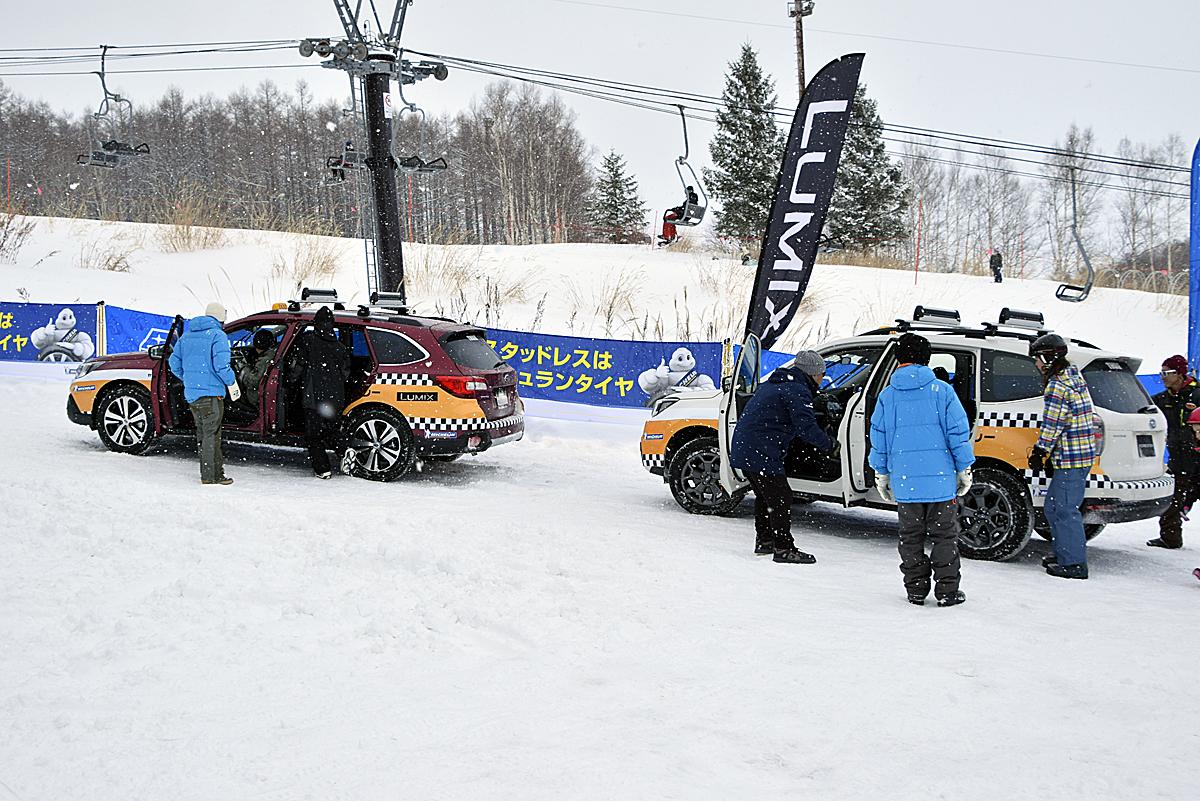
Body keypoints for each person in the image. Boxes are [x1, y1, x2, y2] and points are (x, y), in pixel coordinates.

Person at [868, 333, 974, 607]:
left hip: (906, 482)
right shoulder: (942, 392)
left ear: (898, 359)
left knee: (911, 537)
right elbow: (957, 434)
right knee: (944, 536)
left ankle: (915, 589)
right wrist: (964, 467)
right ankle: (948, 591)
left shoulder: (887, 396)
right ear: (927, 358)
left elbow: (879, 438)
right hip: (940, 483)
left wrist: (881, 472)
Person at [729, 350, 834, 564]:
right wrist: (830, 445)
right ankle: (784, 549)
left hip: (746, 448)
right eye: (821, 375)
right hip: (761, 451)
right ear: (812, 373)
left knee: (766, 496)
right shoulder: (796, 390)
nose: (823, 380)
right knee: (781, 497)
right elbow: (806, 427)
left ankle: (765, 541)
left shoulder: (777, 383)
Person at [1028, 333, 1096, 580]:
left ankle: (1074, 564)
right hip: (1077, 454)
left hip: (1072, 457)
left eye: (1037, 358)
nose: (1036, 364)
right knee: (1055, 507)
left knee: (1064, 509)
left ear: (1048, 357)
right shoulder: (1073, 375)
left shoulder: (1058, 384)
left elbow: (1053, 423)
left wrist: (1040, 451)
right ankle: (1064, 553)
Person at [168, 302, 239, 485]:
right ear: (221, 318)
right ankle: (212, 476)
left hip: (192, 395)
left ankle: (209, 472)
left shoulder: (187, 336)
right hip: (212, 395)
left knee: (203, 433)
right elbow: (222, 367)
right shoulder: (218, 335)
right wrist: (232, 383)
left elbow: (173, 363)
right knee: (212, 434)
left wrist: (189, 379)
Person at [290, 307, 350, 479]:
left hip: (314, 397)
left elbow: (297, 368)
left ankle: (322, 468)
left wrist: (290, 381)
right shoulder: (340, 347)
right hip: (335, 398)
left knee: (313, 435)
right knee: (331, 429)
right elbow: (346, 372)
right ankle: (345, 450)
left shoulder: (308, 342)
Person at [1149, 354, 1199, 550]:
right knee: (1173, 497)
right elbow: (1146, 409)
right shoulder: (1164, 398)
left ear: (1180, 374)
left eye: (1167, 372)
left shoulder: (1197, 394)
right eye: (1161, 372)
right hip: (1179, 458)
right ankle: (1170, 538)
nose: (1162, 376)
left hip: (1198, 457)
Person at [236, 329, 277, 410]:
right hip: (267, 398)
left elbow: (253, 382)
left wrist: (243, 368)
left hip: (256, 402)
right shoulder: (273, 354)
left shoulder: (264, 360)